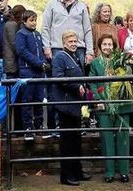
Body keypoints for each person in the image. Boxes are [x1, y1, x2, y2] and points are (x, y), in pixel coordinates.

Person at [88, 34, 132, 183]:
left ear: (114, 46)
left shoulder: (121, 60)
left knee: (123, 139)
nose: (107, 47)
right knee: (107, 139)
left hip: (122, 104)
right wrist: (97, 100)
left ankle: (124, 171)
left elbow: (130, 78)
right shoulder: (95, 63)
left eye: (110, 44)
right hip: (104, 105)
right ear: (100, 47)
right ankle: (110, 172)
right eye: (104, 45)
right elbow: (92, 83)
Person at [50, 30, 91, 187]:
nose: (74, 44)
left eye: (75, 41)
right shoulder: (60, 57)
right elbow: (59, 78)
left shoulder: (75, 57)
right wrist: (77, 86)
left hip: (75, 104)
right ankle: (66, 175)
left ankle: (77, 170)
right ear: (64, 43)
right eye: (70, 41)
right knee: (67, 140)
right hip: (66, 104)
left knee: (76, 138)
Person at [42, 0, 93, 67]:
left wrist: (89, 52)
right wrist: (46, 47)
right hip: (57, 47)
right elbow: (45, 27)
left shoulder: (81, 6)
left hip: (78, 48)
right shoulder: (52, 5)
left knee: (78, 78)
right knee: (58, 77)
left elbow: (87, 30)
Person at [15, 10, 48, 140]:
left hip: (39, 72)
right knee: (27, 100)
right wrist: (39, 63)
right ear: (24, 21)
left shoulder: (38, 34)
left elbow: (41, 50)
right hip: (27, 71)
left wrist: (44, 63)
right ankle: (28, 128)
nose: (34, 23)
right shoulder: (21, 34)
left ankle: (39, 126)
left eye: (35, 20)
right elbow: (22, 51)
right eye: (31, 20)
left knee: (39, 98)